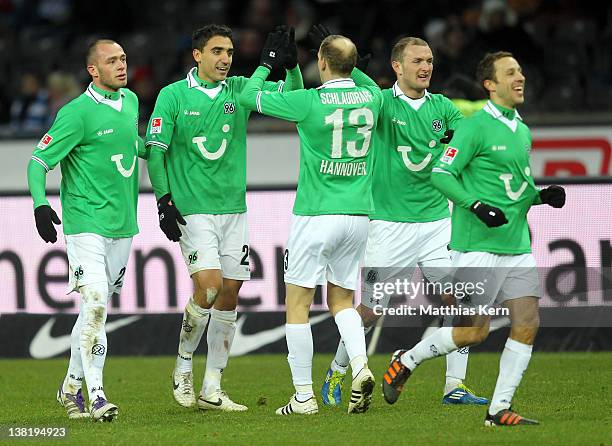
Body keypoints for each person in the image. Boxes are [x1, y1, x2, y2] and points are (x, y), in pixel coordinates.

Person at [382, 51, 566, 426]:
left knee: (528, 322)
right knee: (473, 331)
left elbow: (517, 189)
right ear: (490, 84)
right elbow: (442, 173)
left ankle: (498, 409)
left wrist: (540, 196)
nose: (520, 78)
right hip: (476, 245)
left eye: (520, 70)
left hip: (516, 245)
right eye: (510, 73)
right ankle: (407, 360)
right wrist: (475, 204)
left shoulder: (522, 130)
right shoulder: (474, 127)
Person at [320, 36, 488, 407]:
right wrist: (352, 66)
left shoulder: (443, 107)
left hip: (435, 223)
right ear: (397, 67)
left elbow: (470, 139)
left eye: (429, 60)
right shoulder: (380, 104)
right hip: (389, 224)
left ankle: (454, 386)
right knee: (372, 310)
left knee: (460, 302)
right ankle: (337, 369)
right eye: (417, 61)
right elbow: (354, 95)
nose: (425, 67)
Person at [145, 24, 303, 412]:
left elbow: (296, 99)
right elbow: (155, 150)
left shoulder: (239, 91)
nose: (225, 59)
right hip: (193, 209)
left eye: (230, 52)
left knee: (230, 294)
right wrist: (164, 200)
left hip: (234, 210)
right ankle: (183, 366)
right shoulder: (173, 95)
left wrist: (292, 67)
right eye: (217, 51)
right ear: (197, 55)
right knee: (210, 288)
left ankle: (212, 387)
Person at [239, 30, 383, 415]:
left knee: (298, 304)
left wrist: (269, 63)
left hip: (316, 215)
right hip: (358, 217)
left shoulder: (310, 102)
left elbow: (246, 97)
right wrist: (295, 71)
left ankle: (303, 396)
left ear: (321, 62)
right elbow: (367, 86)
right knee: (342, 300)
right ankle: (361, 366)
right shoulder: (373, 98)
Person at [27, 39, 147, 421]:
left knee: (94, 310)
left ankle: (70, 385)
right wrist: (40, 204)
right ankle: (96, 396)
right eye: (112, 61)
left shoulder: (130, 102)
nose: (121, 65)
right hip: (85, 224)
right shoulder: (76, 114)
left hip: (123, 224)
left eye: (124, 59)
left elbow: (133, 144)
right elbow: (36, 162)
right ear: (93, 70)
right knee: (95, 305)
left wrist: (160, 147)